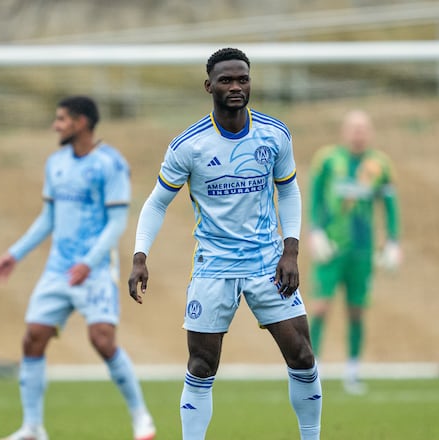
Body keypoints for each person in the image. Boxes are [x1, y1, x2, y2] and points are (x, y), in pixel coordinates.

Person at [128, 48, 322, 440]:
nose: (236, 87)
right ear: (209, 86)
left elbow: (289, 192)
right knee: (201, 364)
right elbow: (156, 202)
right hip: (213, 268)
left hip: (268, 264)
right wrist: (139, 256)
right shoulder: (189, 146)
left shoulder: (274, 134)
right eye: (226, 80)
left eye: (243, 79)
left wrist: (291, 250)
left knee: (302, 355)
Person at [0, 96, 156, 440]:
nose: (56, 125)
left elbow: (116, 223)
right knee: (33, 338)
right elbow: (48, 217)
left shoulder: (111, 164)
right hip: (58, 270)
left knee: (102, 341)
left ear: (81, 122)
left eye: (61, 119)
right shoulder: (56, 163)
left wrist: (88, 262)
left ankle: (142, 418)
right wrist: (14, 254)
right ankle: (33, 428)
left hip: (92, 270)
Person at [307, 110, 402, 395]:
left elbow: (389, 206)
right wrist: (315, 231)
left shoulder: (380, 164)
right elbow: (314, 197)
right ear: (344, 131)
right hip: (332, 247)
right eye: (354, 128)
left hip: (362, 250)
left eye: (363, 128)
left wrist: (393, 240)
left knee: (357, 310)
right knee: (320, 306)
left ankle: (352, 371)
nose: (358, 133)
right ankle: (311, 371)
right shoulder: (327, 160)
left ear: (369, 132)